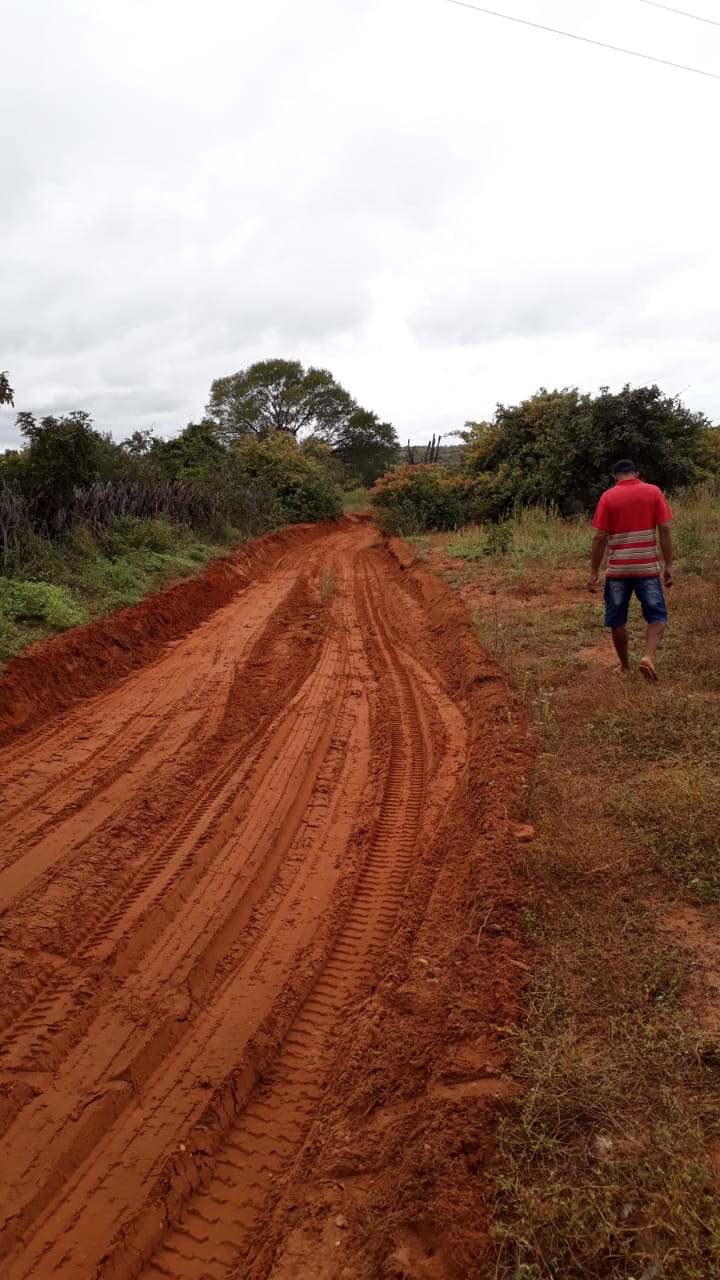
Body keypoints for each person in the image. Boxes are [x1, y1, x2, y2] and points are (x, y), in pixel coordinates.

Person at [587, 458, 674, 682]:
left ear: (614, 476)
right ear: (636, 473)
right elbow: (664, 528)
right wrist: (669, 565)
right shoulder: (653, 492)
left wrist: (593, 572)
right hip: (647, 567)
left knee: (617, 619)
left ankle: (625, 667)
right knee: (657, 616)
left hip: (618, 571)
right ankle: (648, 657)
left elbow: (599, 537)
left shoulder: (608, 497)